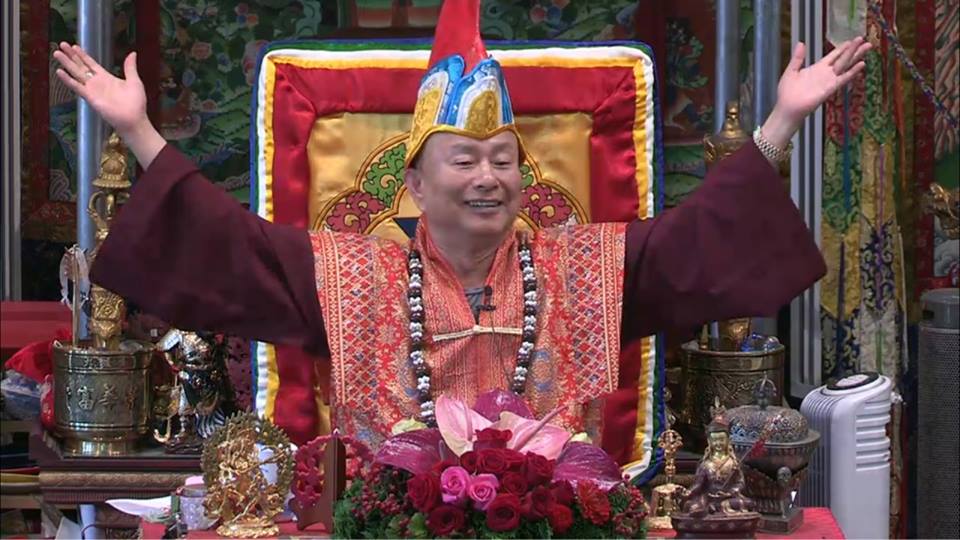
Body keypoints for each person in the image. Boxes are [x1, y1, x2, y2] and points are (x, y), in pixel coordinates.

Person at [53, 1, 870, 463]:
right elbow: (229, 246)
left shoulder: (582, 267)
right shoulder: (352, 275)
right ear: (413, 184)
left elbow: (700, 240)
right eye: (465, 159)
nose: (488, 177)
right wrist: (138, 131)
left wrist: (781, 122)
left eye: (503, 159)